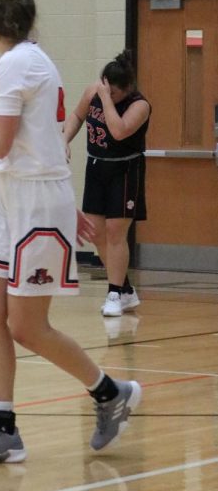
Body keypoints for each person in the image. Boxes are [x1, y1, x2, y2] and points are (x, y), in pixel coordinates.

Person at [0, 0, 141, 464]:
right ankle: (3, 425)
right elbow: (33, 143)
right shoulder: (30, 59)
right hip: (11, 196)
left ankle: (111, 392)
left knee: (26, 325)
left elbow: (0, 142)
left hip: (34, 200)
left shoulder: (16, 65)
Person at [64, 50, 151, 318]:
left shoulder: (139, 105)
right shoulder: (94, 92)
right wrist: (64, 139)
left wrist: (105, 99)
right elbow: (78, 116)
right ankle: (125, 289)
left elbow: (118, 130)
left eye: (113, 93)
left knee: (115, 231)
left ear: (127, 89)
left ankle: (114, 292)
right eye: (105, 90)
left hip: (125, 169)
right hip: (96, 167)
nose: (107, 95)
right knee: (95, 232)